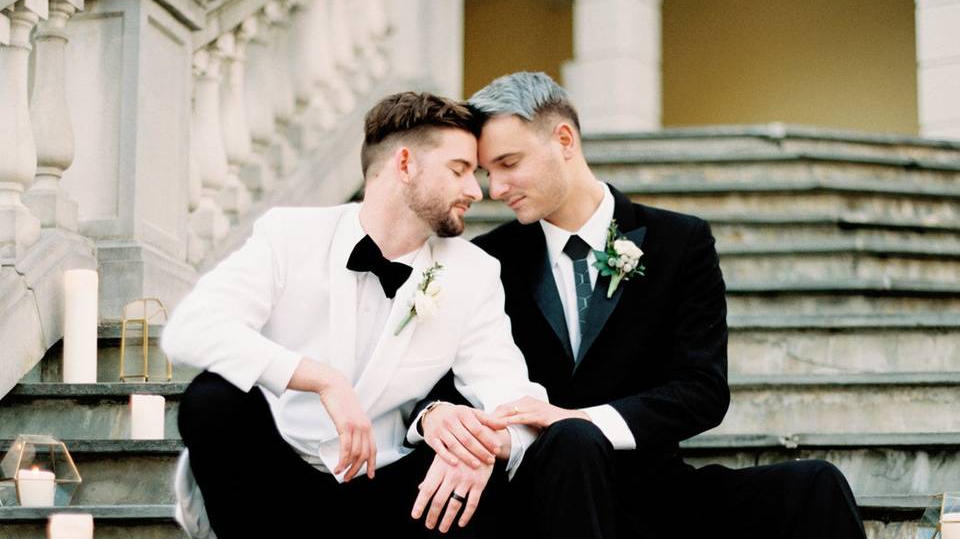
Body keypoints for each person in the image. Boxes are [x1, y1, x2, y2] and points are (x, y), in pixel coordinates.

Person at [412, 72, 867, 538]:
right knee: (562, 449)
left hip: (655, 494)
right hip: (536, 497)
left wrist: (581, 420)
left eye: (508, 163)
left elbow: (702, 389)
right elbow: (426, 376)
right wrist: (437, 417)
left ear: (563, 139)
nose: (495, 189)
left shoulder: (681, 241)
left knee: (814, 484)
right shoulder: (485, 260)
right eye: (488, 173)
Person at [161, 92, 547, 538]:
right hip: (276, 479)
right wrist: (322, 379)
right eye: (459, 170)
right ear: (405, 165)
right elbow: (191, 329)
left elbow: (512, 394)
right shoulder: (290, 235)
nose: (475, 191)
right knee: (213, 398)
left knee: (486, 472)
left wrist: (481, 447)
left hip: (389, 488)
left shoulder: (474, 272)